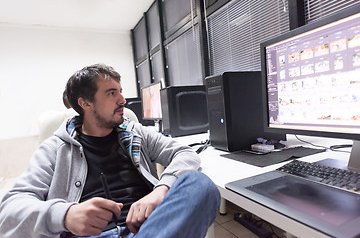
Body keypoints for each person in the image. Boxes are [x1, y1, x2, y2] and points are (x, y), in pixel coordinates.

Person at [0, 64, 220, 238]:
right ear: (85, 103)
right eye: (111, 93)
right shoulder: (54, 149)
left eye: (120, 92)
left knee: (199, 184)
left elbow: (185, 153)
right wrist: (66, 215)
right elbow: (8, 212)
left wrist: (160, 190)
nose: (123, 100)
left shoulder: (135, 133)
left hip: (148, 229)